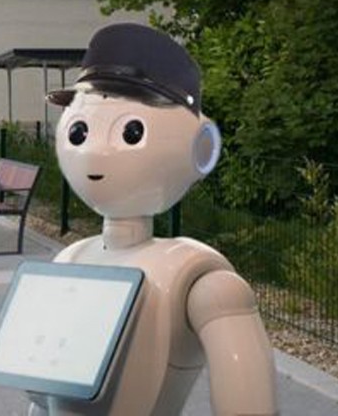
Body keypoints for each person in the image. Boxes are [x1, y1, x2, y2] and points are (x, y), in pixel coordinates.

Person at [34, 23, 277, 415]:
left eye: (131, 132)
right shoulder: (73, 259)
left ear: (204, 146)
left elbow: (247, 395)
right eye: (80, 132)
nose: (96, 151)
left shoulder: (200, 281)